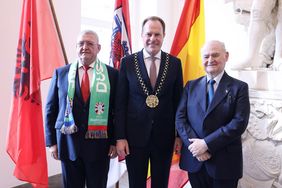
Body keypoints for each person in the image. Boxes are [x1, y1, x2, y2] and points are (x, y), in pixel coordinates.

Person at [115, 16, 183, 188]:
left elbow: (179, 103)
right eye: (149, 34)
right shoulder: (127, 63)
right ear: (142, 35)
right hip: (134, 138)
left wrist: (179, 136)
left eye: (157, 34)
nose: (153, 39)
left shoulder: (174, 64)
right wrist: (120, 137)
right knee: (136, 183)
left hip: (164, 137)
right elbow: (120, 104)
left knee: (160, 183)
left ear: (164, 35)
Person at [45, 30, 118, 188]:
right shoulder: (61, 73)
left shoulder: (112, 75)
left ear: (98, 48)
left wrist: (114, 141)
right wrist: (51, 142)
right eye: (81, 43)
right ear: (76, 47)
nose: (85, 47)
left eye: (90, 44)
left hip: (100, 146)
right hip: (68, 143)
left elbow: (117, 111)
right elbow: (51, 109)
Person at [176, 40, 250, 188]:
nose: (210, 60)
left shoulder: (239, 87)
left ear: (226, 56)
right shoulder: (191, 86)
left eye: (215, 55)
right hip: (195, 160)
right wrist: (196, 148)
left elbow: (239, 123)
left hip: (225, 164)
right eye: (206, 56)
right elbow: (180, 119)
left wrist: (206, 144)